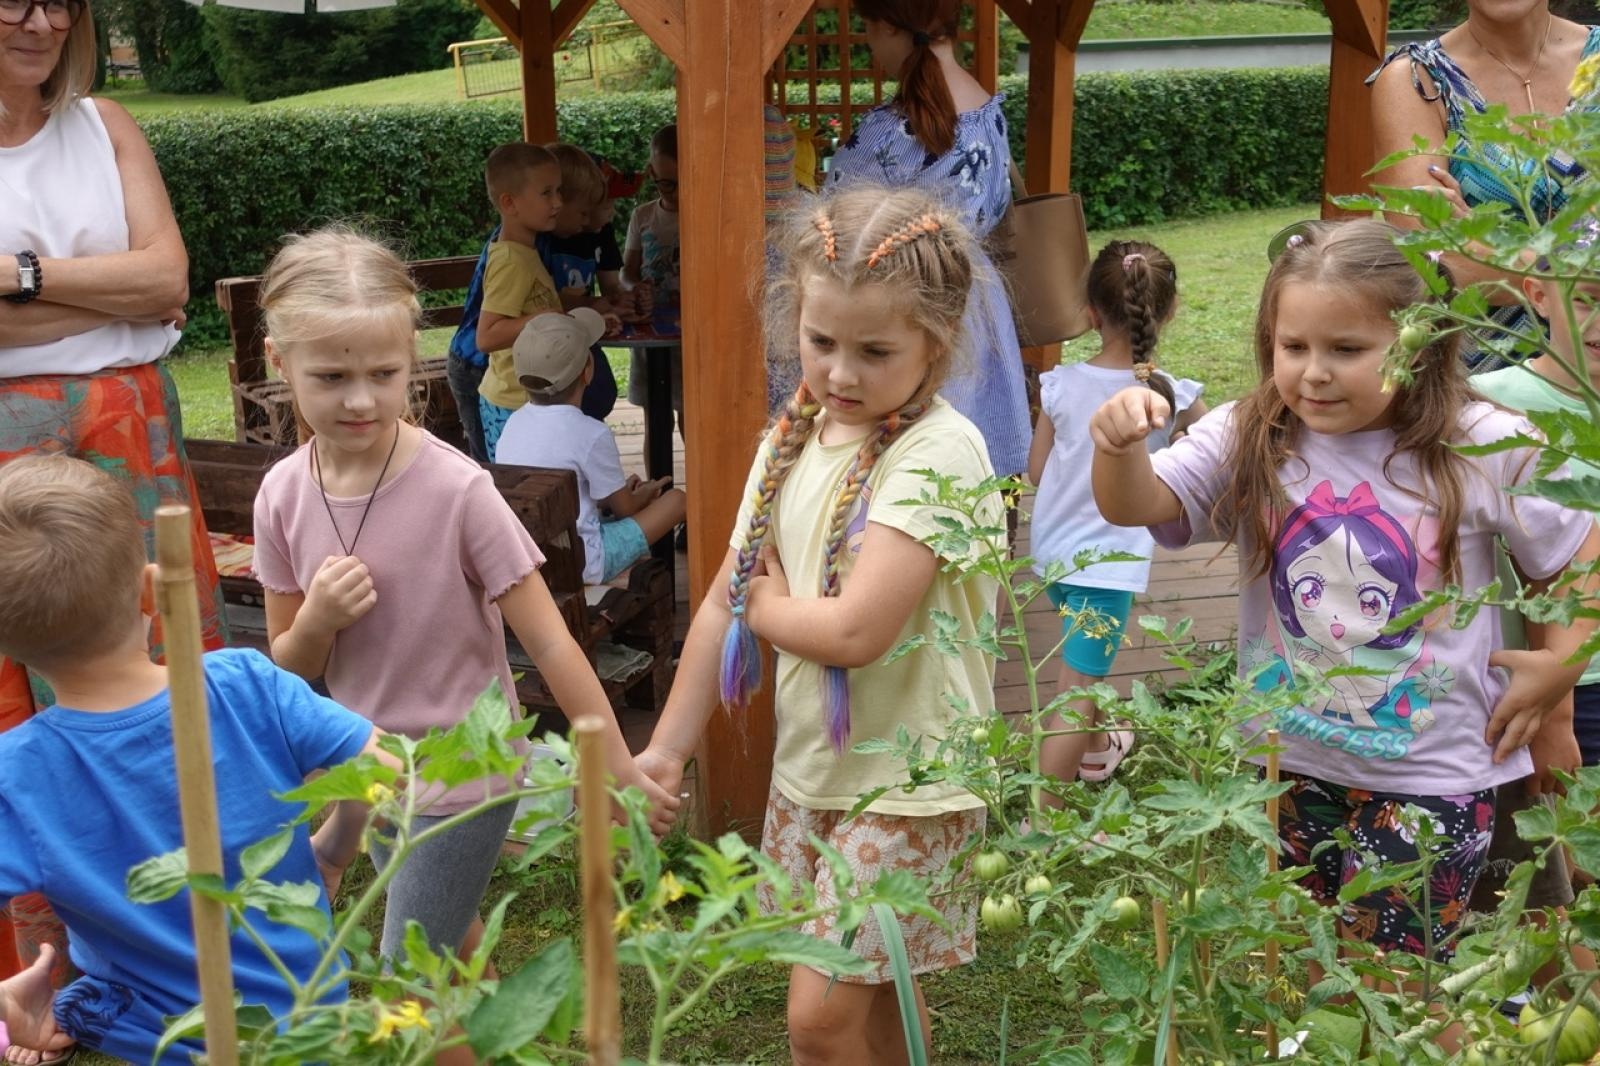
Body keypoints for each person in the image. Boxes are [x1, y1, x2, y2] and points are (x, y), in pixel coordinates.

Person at [1089, 219, 1600, 979]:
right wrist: (1117, 449)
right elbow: (1139, 506)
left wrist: (1561, 664)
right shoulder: (1253, 432)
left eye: (1347, 350)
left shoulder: (1479, 440)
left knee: (1392, 984)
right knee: (1317, 970)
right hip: (1287, 761)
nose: (1314, 374)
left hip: (1435, 771)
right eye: (1293, 348)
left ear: (1420, 345)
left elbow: (1579, 555)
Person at [250, 230, 677, 988]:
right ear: (279, 363)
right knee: (451, 958)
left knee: (403, 977)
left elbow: (551, 644)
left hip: (464, 777)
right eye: (330, 375)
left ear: (411, 354)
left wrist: (608, 765)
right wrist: (315, 620)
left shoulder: (459, 491)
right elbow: (288, 666)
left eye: (383, 373)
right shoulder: (282, 495)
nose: (359, 398)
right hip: (368, 769)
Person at [634, 186, 1002, 1063]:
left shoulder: (939, 455)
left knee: (819, 1020)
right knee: (868, 1013)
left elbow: (852, 631)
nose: (840, 374)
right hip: (817, 776)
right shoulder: (794, 439)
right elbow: (725, 597)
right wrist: (667, 751)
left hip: (910, 785)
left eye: (875, 351)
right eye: (820, 342)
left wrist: (762, 605)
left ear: (936, 344)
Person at [0, 0, 226, 1052]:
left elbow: (169, 281)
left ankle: (193, 949)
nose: (38, 19)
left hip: (131, 440)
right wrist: (109, 300)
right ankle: (47, 990)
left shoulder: (107, 126)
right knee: (19, 714)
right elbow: (136, 291)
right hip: (13, 459)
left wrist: (25, 280)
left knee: (160, 682)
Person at [0, 455, 380, 1065]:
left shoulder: (17, 775)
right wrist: (335, 845)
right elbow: (387, 765)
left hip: (164, 1041)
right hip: (310, 1016)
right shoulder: (249, 683)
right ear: (153, 589)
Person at [1026, 241, 1205, 790]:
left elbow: (1036, 472)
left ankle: (1100, 750)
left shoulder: (1059, 385)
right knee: (1076, 688)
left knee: (1085, 668)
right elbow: (1207, 461)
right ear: (1168, 311)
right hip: (1105, 571)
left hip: (1054, 554)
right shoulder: (1171, 394)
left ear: (1090, 313)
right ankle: (1043, 829)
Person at [827, 0, 1029, 478]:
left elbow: (837, 218)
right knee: (971, 459)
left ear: (891, 28)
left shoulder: (886, 129)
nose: (870, 44)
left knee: (908, 468)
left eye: (869, 29)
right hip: (975, 300)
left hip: (904, 302)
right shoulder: (988, 110)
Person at [1468, 261, 1600, 923]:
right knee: (1577, 876)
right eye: (1588, 300)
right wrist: (1556, 712)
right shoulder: (1490, 403)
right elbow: (1527, 566)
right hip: (1575, 683)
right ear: (1539, 297)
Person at [1368, 0, 1600, 370]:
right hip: (1482, 383)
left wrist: (1480, 243)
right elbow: (1431, 262)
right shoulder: (1417, 81)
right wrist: (1587, 264)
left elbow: (1463, 254)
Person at [495, 308, 686, 584]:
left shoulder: (513, 424)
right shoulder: (591, 433)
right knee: (677, 500)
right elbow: (626, 511)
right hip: (585, 561)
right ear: (589, 370)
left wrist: (617, 495)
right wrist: (643, 495)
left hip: (534, 554)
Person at [471, 143, 567, 460]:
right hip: (510, 402)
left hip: (526, 398)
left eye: (559, 191)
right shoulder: (511, 259)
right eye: (546, 193)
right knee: (521, 496)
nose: (558, 202)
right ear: (509, 203)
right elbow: (487, 336)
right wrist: (547, 317)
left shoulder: (525, 252)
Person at [538, 142, 626, 419]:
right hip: (527, 361)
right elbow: (540, 308)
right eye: (585, 212)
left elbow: (612, 289)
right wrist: (594, 305)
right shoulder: (534, 244)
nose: (589, 221)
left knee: (599, 393)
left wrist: (615, 303)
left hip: (568, 337)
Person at [623, 123, 685, 453]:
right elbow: (627, 271)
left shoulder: (700, 215)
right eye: (665, 183)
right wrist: (636, 289)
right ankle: (657, 494)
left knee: (693, 418)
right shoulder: (642, 216)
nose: (673, 192)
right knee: (655, 420)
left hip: (689, 336)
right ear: (650, 172)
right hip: (651, 334)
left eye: (682, 183)